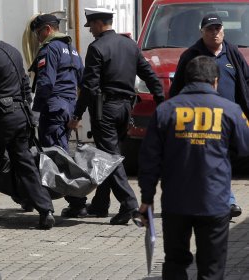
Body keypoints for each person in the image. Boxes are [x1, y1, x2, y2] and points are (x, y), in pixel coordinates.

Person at [138, 55, 249, 279]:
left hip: (175, 202)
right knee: (212, 267)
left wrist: (147, 199)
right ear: (216, 81)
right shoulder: (231, 110)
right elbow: (245, 147)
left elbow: (149, 160)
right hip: (214, 201)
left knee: (175, 263)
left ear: (187, 80)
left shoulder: (165, 111)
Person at [68, 7, 164, 225]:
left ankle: (129, 204)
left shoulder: (97, 48)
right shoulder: (130, 45)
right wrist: (161, 102)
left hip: (105, 111)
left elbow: (89, 86)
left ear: (99, 23)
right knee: (109, 154)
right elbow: (149, 75)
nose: (90, 30)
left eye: (91, 25)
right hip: (125, 110)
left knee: (109, 159)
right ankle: (101, 204)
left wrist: (77, 113)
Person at [0, 15, 55, 229]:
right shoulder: (13, 52)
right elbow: (25, 86)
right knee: (25, 165)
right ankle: (46, 210)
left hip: (1, 121)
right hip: (21, 117)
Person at [169, 13, 249, 218]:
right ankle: (223, 200)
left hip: (229, 118)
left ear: (223, 30)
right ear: (202, 32)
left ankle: (222, 200)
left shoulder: (232, 52)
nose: (215, 33)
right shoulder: (191, 55)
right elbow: (177, 87)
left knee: (223, 159)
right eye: (210, 29)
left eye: (218, 29)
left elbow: (245, 81)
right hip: (200, 118)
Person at [29, 14, 87, 218]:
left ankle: (76, 202)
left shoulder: (50, 49)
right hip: (68, 108)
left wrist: (36, 110)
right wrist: (77, 111)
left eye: (38, 34)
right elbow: (83, 81)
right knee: (61, 154)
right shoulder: (72, 49)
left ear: (47, 29)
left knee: (54, 157)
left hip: (53, 108)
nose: (37, 39)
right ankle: (75, 201)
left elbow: (45, 83)